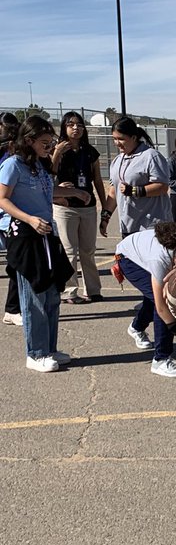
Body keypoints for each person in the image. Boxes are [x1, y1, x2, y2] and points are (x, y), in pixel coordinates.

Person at [0, 116, 74, 372]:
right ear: (29, 140)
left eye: (51, 141)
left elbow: (47, 191)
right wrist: (30, 219)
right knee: (34, 298)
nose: (49, 145)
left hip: (46, 235)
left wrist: (74, 193)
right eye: (45, 142)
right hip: (26, 237)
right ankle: (36, 353)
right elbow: (3, 199)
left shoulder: (39, 165)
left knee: (52, 295)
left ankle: (49, 349)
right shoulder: (12, 165)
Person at [116, 220, 176, 377]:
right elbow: (162, 308)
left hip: (142, 251)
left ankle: (136, 327)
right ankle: (161, 360)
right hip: (127, 259)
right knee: (165, 301)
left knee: (156, 297)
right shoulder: (159, 260)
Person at [51, 111, 112, 304]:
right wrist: (57, 153)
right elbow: (48, 174)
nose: (75, 128)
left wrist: (104, 207)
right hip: (65, 206)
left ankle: (93, 290)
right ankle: (69, 291)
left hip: (87, 206)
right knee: (69, 250)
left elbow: (97, 181)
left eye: (79, 125)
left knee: (88, 249)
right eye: (71, 124)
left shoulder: (90, 152)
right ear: (64, 127)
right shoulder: (56, 149)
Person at [107, 116, 172, 234]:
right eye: (114, 139)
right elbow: (113, 191)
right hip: (128, 226)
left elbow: (162, 187)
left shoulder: (151, 156)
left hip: (152, 226)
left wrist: (134, 191)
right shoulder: (117, 161)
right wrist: (105, 216)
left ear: (133, 137)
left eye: (121, 139)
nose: (117, 143)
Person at [1, 112, 23, 326]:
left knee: (15, 263)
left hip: (8, 217)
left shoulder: (14, 154)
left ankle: (13, 308)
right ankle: (12, 309)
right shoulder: (9, 160)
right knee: (15, 263)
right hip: (5, 215)